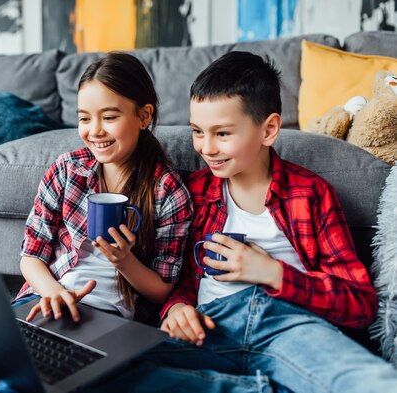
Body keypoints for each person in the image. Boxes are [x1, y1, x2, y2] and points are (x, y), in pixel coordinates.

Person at [88, 50, 397, 393]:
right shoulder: (192, 194)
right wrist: (176, 308)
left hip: (287, 325)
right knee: (102, 372)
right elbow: (179, 281)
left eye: (222, 134)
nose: (206, 148)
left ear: (269, 129)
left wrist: (272, 273)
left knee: (371, 383)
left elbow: (360, 303)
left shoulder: (310, 194)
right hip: (210, 327)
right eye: (197, 131)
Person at [0, 52, 193, 393]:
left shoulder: (168, 191)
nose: (95, 131)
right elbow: (30, 255)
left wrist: (125, 261)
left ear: (144, 115)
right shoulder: (67, 170)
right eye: (85, 119)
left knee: (20, 384)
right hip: (43, 298)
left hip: (106, 320)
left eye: (109, 116)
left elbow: (162, 287)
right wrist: (54, 292)